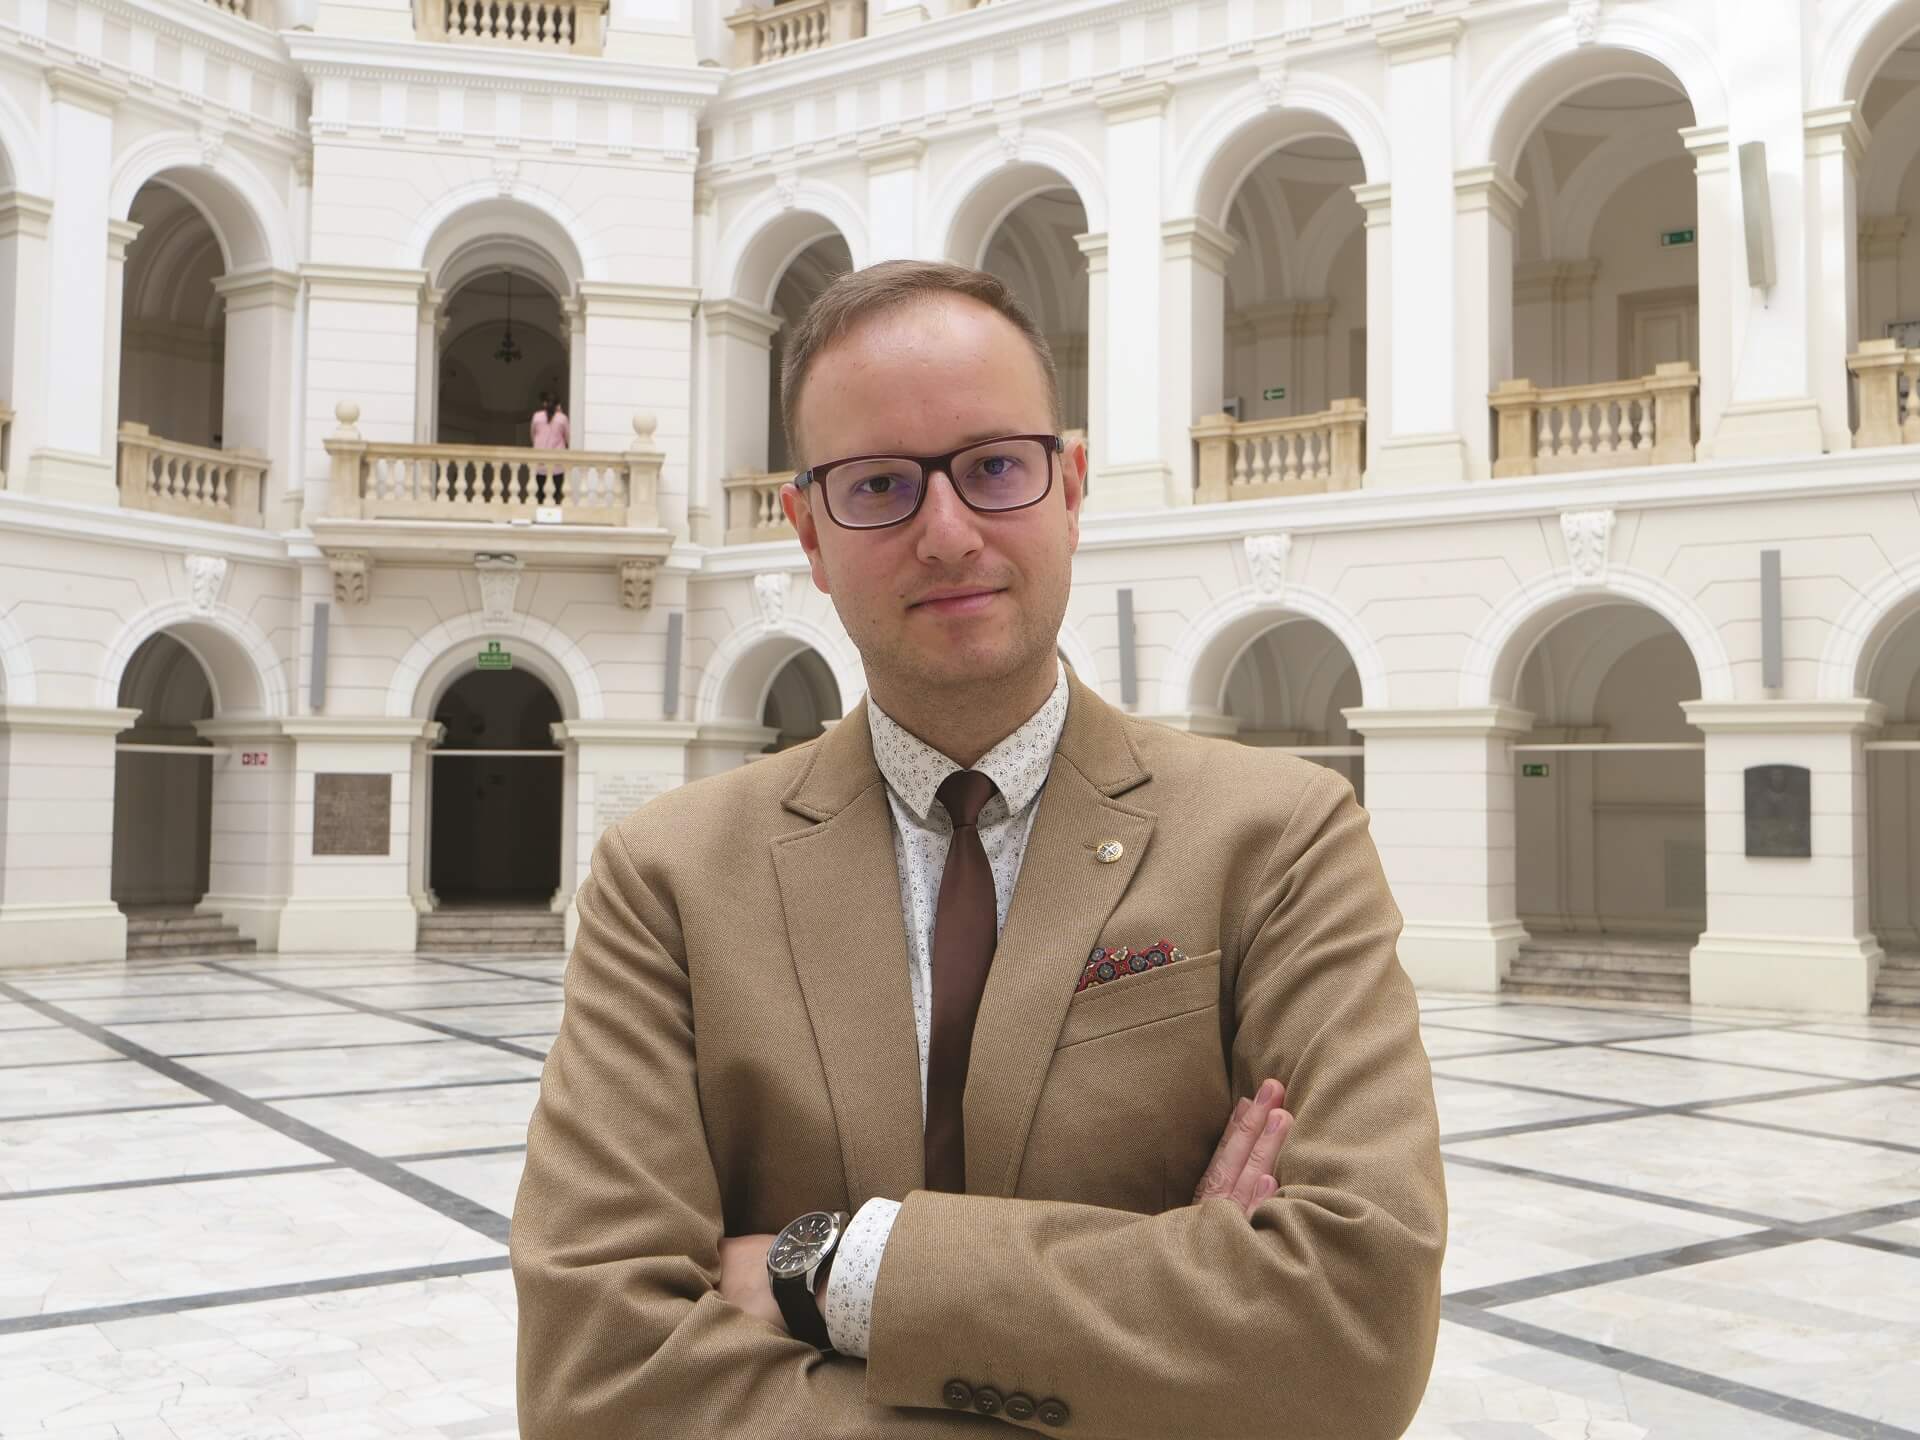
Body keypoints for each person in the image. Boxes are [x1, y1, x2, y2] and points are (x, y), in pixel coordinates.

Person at [511, 261, 1446, 1439]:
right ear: (807, 531)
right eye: (880, 486)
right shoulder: (670, 880)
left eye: (995, 467)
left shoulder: (1280, 838)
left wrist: (840, 1271)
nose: (947, 534)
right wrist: (1174, 1322)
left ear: (1071, 487)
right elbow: (595, 1382)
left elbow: (1353, 1334)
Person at [529, 391, 569, 504]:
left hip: (540, 464)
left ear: (544, 404)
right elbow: (568, 439)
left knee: (540, 496)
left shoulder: (537, 417)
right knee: (556, 496)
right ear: (558, 405)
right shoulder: (562, 418)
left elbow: (533, 436)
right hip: (558, 465)